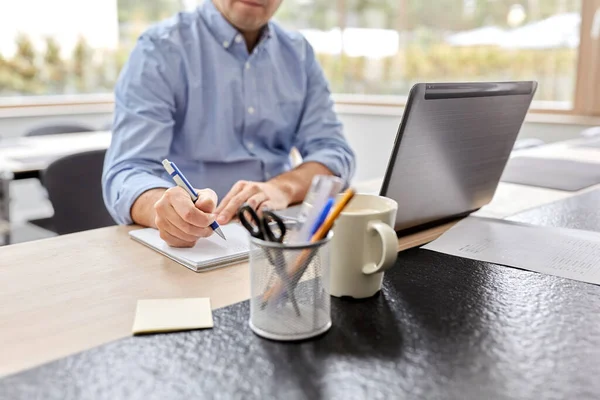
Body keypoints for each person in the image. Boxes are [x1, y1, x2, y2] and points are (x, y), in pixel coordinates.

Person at [102, 0, 356, 247]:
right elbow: (127, 171)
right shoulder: (160, 49)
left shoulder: (298, 54)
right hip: (198, 243)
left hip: (280, 234)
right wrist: (165, 208)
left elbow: (334, 152)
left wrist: (282, 189)